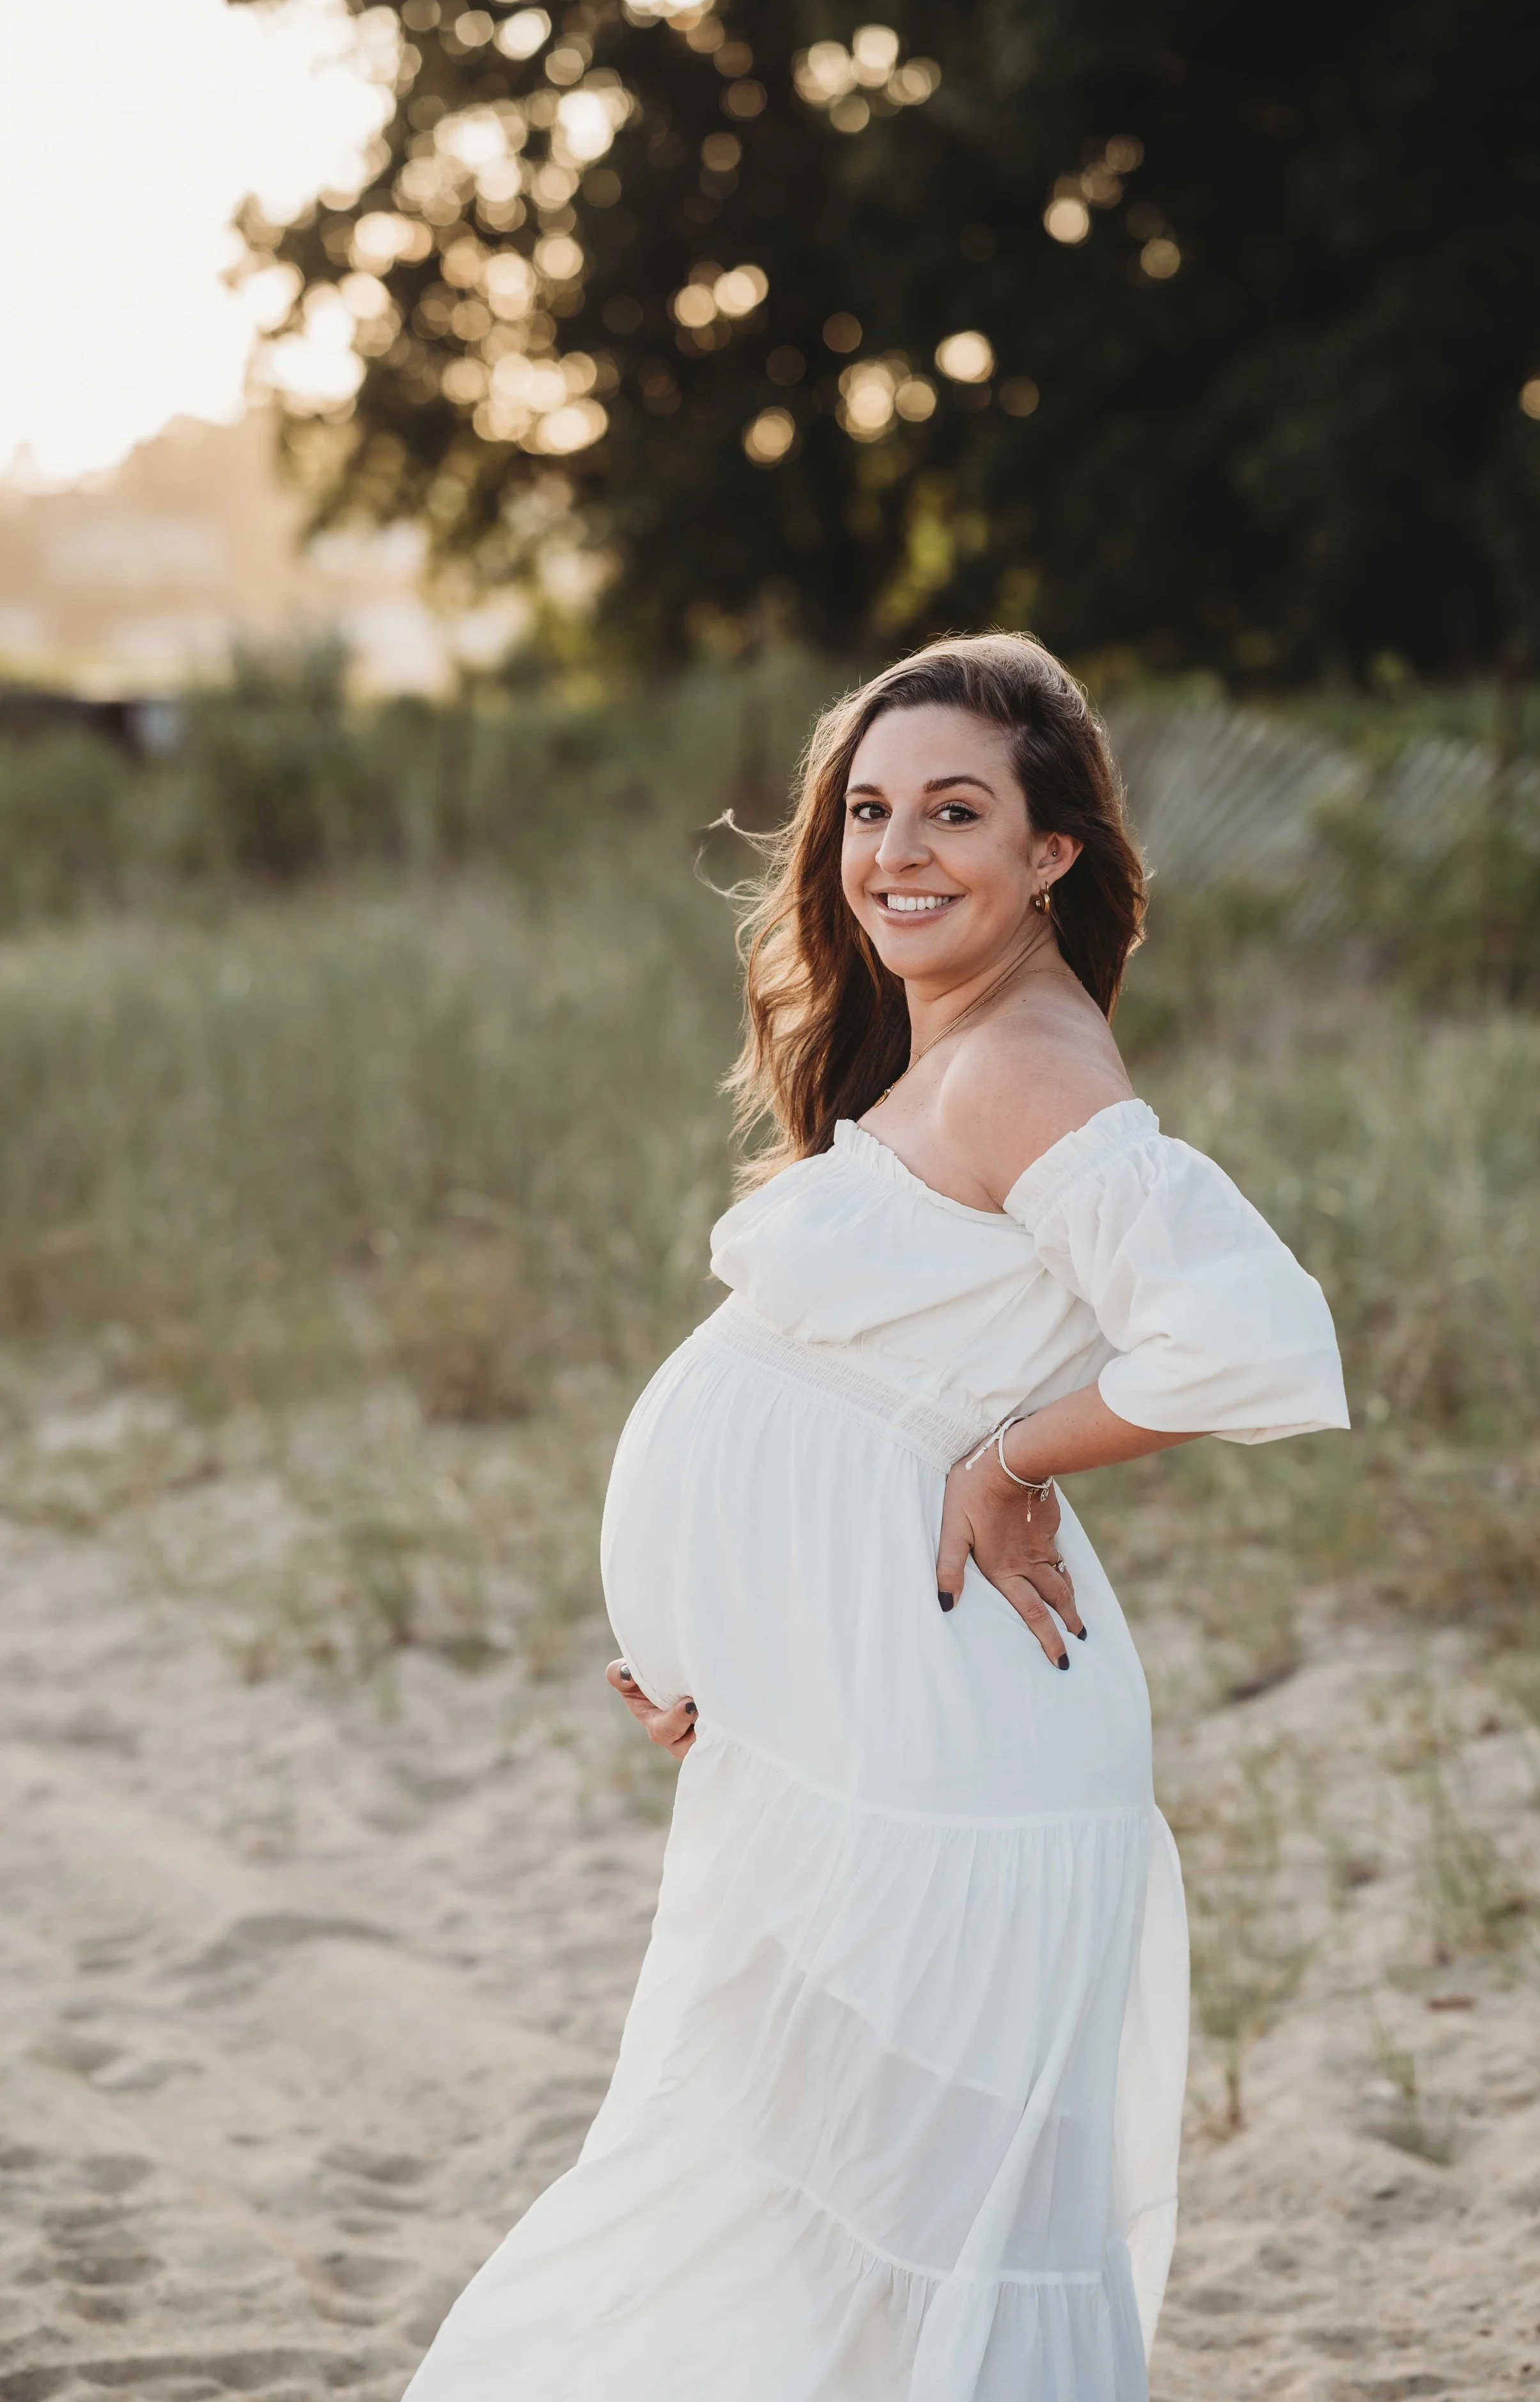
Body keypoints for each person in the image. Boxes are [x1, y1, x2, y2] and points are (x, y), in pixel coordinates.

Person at [405, 633, 1348, 2402]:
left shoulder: (1027, 1065)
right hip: (847, 1716)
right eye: (866, 810)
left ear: (1053, 846)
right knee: (808, 2189)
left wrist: (1010, 1457)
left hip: (949, 1738)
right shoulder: (941, 1053)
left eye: (955, 811)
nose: (895, 850)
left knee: (900, 2214)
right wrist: (728, 1647)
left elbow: (1250, 1334)